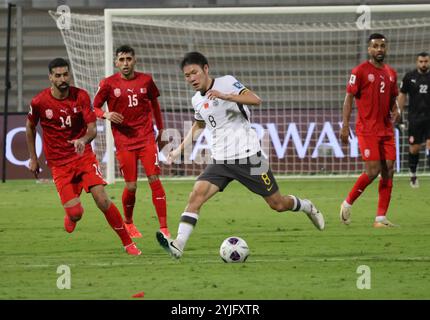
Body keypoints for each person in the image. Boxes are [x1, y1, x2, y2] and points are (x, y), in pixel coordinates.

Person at [155, 51, 325, 259]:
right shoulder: (196, 100)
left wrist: (225, 96)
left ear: (206, 69)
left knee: (277, 204)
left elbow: (255, 99)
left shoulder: (227, 82)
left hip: (250, 157)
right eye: (187, 75)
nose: (191, 78)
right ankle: (178, 245)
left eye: (194, 73)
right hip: (220, 160)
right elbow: (199, 125)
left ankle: (306, 206)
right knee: (196, 196)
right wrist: (180, 149)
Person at [26, 57, 141, 256]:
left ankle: (128, 243)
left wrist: (83, 140)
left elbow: (92, 130)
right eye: (58, 75)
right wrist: (34, 158)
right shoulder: (39, 102)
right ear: (50, 78)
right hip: (59, 164)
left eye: (65, 74)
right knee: (76, 213)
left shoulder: (81, 96)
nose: (63, 79)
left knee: (102, 199)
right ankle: (72, 216)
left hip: (83, 157)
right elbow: (29, 127)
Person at [93, 45, 170, 238]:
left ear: (134, 60)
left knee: (154, 178)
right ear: (116, 62)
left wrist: (160, 129)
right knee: (131, 186)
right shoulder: (108, 84)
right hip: (124, 141)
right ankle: (128, 222)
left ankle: (164, 228)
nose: (125, 63)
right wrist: (106, 114)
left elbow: (155, 104)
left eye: (128, 59)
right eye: (122, 59)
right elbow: (93, 107)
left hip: (146, 138)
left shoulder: (146, 80)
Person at [339, 33, 400, 228]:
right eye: (375, 46)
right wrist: (345, 124)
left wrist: (396, 110)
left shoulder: (391, 73)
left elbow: (392, 99)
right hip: (367, 129)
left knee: (389, 170)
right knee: (373, 170)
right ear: (369, 49)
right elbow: (349, 98)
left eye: (382, 46)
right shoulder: (360, 71)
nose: (379, 49)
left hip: (386, 130)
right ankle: (347, 204)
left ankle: (380, 219)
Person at [397, 52, 430, 188]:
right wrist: (399, 115)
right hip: (415, 118)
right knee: (414, 148)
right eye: (421, 61)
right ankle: (413, 173)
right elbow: (402, 95)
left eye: (426, 61)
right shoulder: (409, 77)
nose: (423, 64)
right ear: (417, 62)